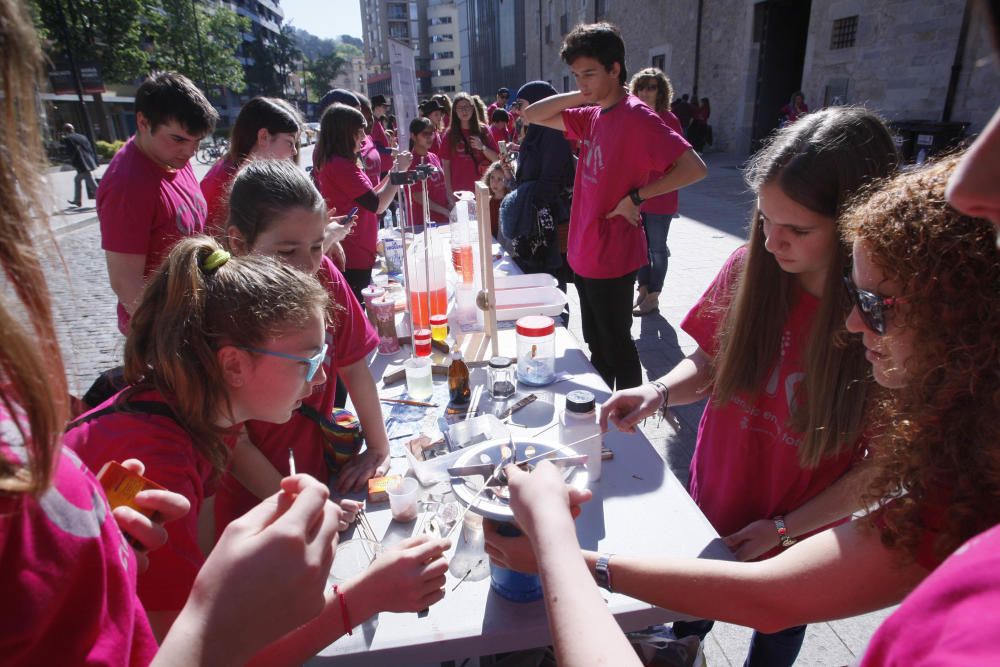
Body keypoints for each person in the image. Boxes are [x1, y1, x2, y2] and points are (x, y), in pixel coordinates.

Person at [0, 7, 444, 662]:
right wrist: (353, 602)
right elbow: (203, 642)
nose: (323, 377)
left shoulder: (193, 427)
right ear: (234, 363)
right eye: (306, 358)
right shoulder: (171, 459)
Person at [487, 155, 1000, 665]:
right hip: (717, 504)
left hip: (792, 530)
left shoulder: (966, 510)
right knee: (690, 619)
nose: (849, 323)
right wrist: (659, 393)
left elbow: (775, 600)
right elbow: (770, 594)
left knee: (772, 640)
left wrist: (557, 548)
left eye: (871, 305)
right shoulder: (954, 491)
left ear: (967, 322)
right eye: (764, 221)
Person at [519, 22, 707, 391]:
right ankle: (604, 415)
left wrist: (637, 198)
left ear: (615, 68)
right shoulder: (593, 114)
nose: (582, 82)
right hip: (584, 252)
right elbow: (533, 115)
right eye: (576, 75)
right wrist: (584, 93)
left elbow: (694, 167)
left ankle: (630, 419)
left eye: (590, 73)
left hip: (612, 255)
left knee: (619, 346)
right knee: (597, 346)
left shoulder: (637, 116)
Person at [213, 158, 391, 539]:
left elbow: (353, 364)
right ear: (239, 243)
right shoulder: (223, 310)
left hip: (315, 474)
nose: (307, 265)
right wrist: (298, 507)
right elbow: (234, 442)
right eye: (287, 251)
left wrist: (377, 447)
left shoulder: (324, 272)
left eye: (315, 245)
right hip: (254, 505)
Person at [97, 71, 216, 335]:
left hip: (191, 316)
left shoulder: (172, 158)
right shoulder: (127, 184)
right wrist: (166, 338)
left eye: (197, 142)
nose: (189, 152)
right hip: (163, 334)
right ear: (143, 122)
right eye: (178, 139)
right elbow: (126, 283)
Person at [313, 103, 413, 303]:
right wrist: (398, 174)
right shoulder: (340, 166)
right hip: (353, 253)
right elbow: (377, 205)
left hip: (359, 248)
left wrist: (394, 169)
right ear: (344, 134)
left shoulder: (343, 162)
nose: (364, 138)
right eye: (359, 133)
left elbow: (368, 196)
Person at [629, 68, 686, 316]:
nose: (646, 92)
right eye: (641, 87)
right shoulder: (633, 118)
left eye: (651, 87)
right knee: (640, 246)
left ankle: (654, 295)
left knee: (657, 249)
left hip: (661, 197)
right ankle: (642, 289)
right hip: (637, 193)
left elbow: (679, 161)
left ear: (660, 90)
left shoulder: (669, 120)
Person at [200, 96, 302, 235]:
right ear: (264, 136)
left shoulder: (235, 168)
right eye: (290, 143)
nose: (294, 152)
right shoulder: (231, 179)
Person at [439, 91, 500, 201]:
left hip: (482, 190)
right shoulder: (449, 134)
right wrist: (449, 193)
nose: (464, 110)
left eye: (467, 106)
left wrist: (482, 147)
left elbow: (497, 159)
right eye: (460, 108)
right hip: (459, 193)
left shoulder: (483, 130)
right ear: (455, 111)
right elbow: (445, 166)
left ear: (473, 108)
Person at [405, 116, 451, 227]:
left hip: (442, 220)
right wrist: (444, 211)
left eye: (431, 133)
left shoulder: (433, 156)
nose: (429, 137)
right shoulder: (410, 162)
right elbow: (418, 196)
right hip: (423, 224)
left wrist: (450, 203)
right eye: (425, 134)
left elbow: (442, 186)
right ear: (413, 136)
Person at [61, 122, 98, 207]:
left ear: (65, 131)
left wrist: (70, 161)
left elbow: (71, 152)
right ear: (73, 129)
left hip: (82, 163)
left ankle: (104, 198)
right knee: (77, 180)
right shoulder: (82, 137)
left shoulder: (68, 139)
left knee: (90, 182)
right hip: (89, 161)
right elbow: (89, 149)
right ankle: (77, 200)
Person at [480, 160, 512, 239]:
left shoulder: (508, 203)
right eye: (492, 177)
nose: (494, 182)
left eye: (499, 179)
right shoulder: (487, 201)